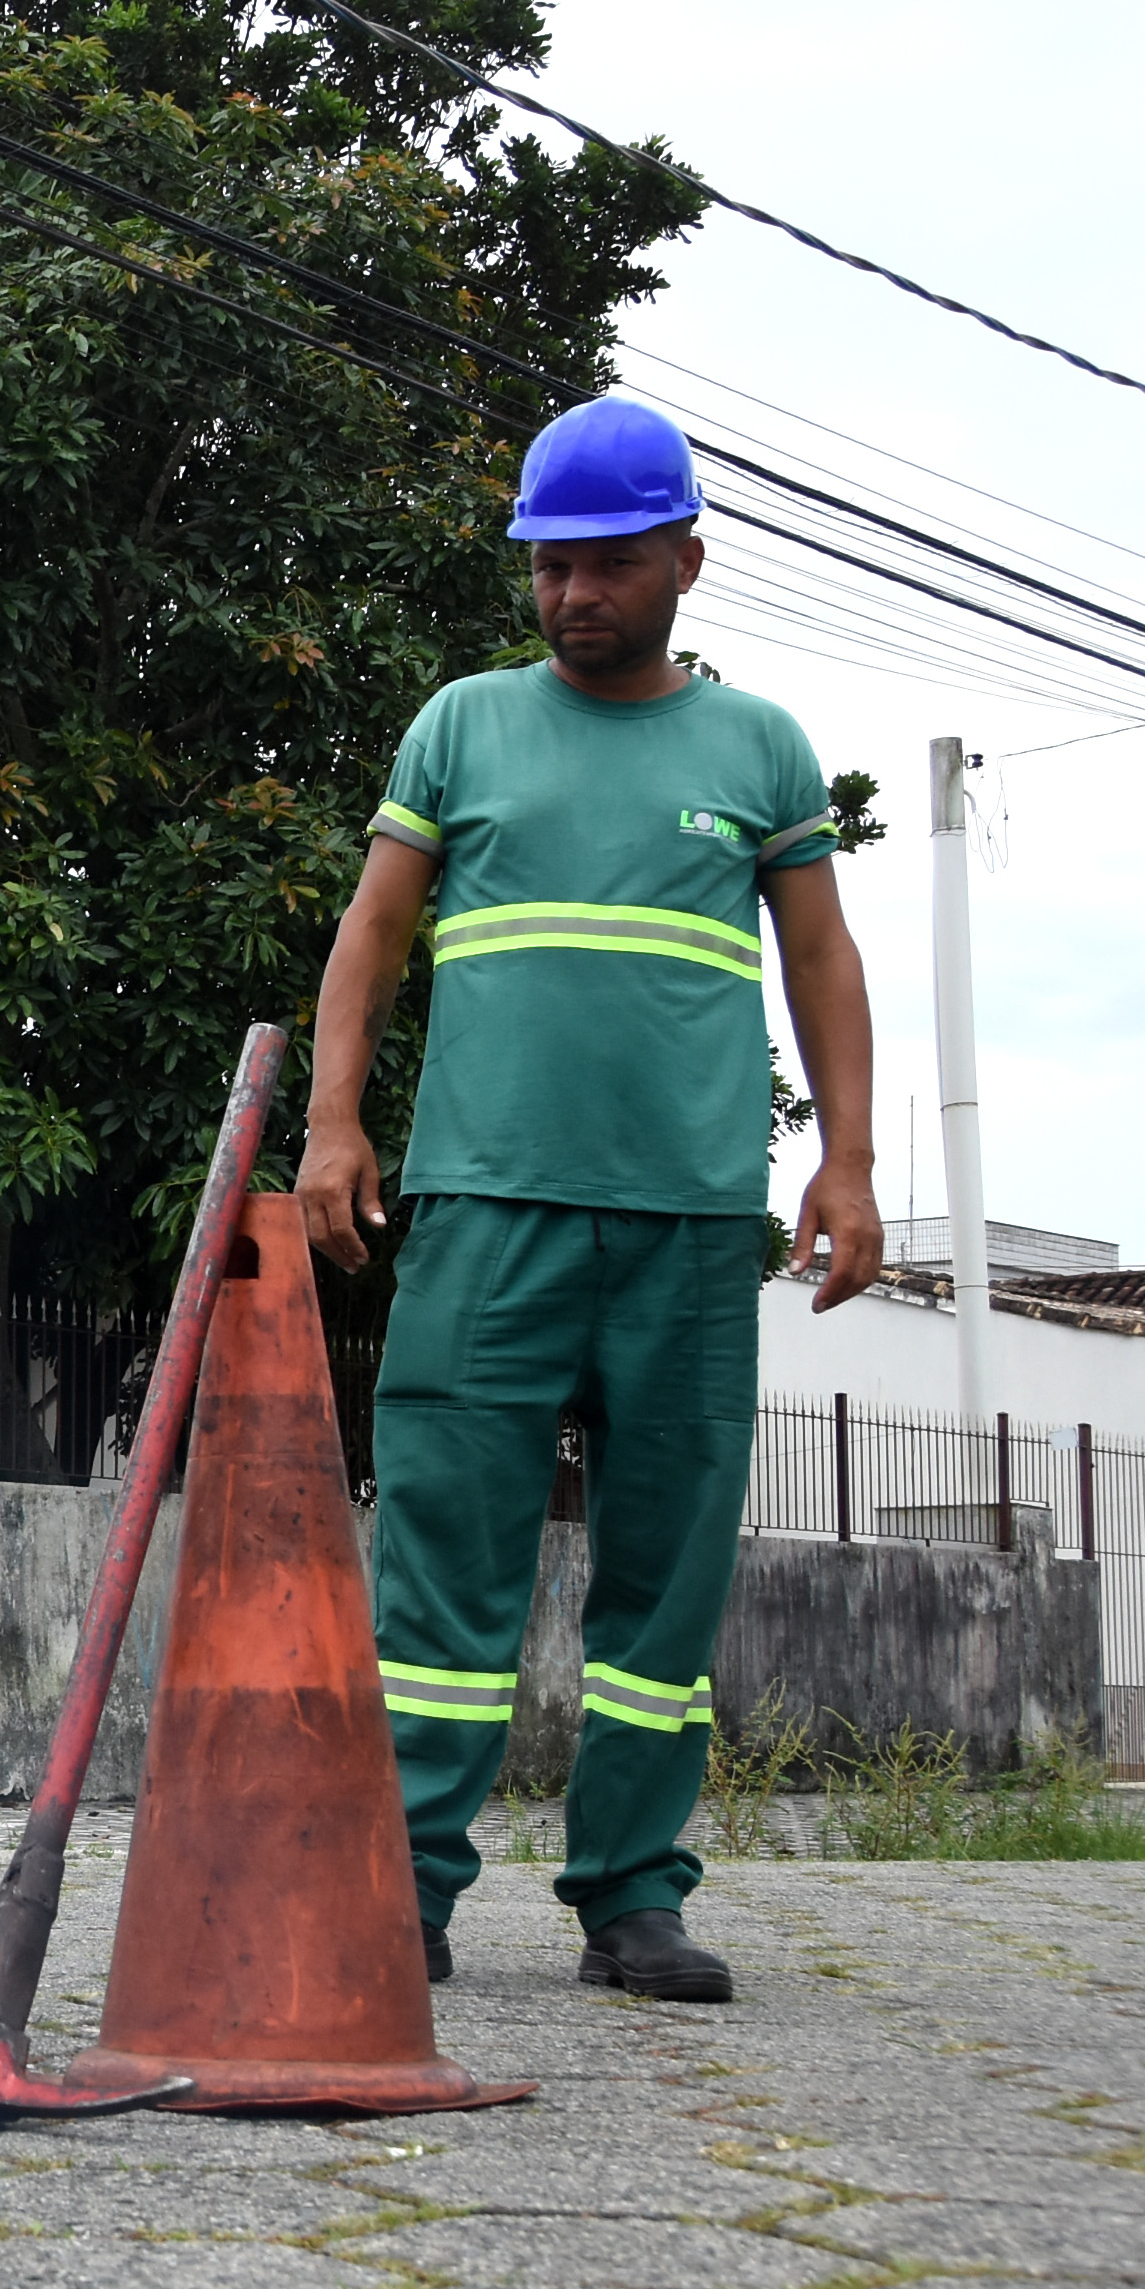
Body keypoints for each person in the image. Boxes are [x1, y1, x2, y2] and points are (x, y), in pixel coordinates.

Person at [295, 396, 882, 2005]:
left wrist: (849, 1158)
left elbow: (822, 956)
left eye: (610, 564)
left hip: (692, 1224)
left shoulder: (756, 747)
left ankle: (632, 1895)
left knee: (666, 1570)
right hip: (484, 1212)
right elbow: (371, 933)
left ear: (686, 561)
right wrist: (335, 1121)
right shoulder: (463, 727)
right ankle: (400, 1893)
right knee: (438, 1574)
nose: (573, 596)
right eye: (550, 566)